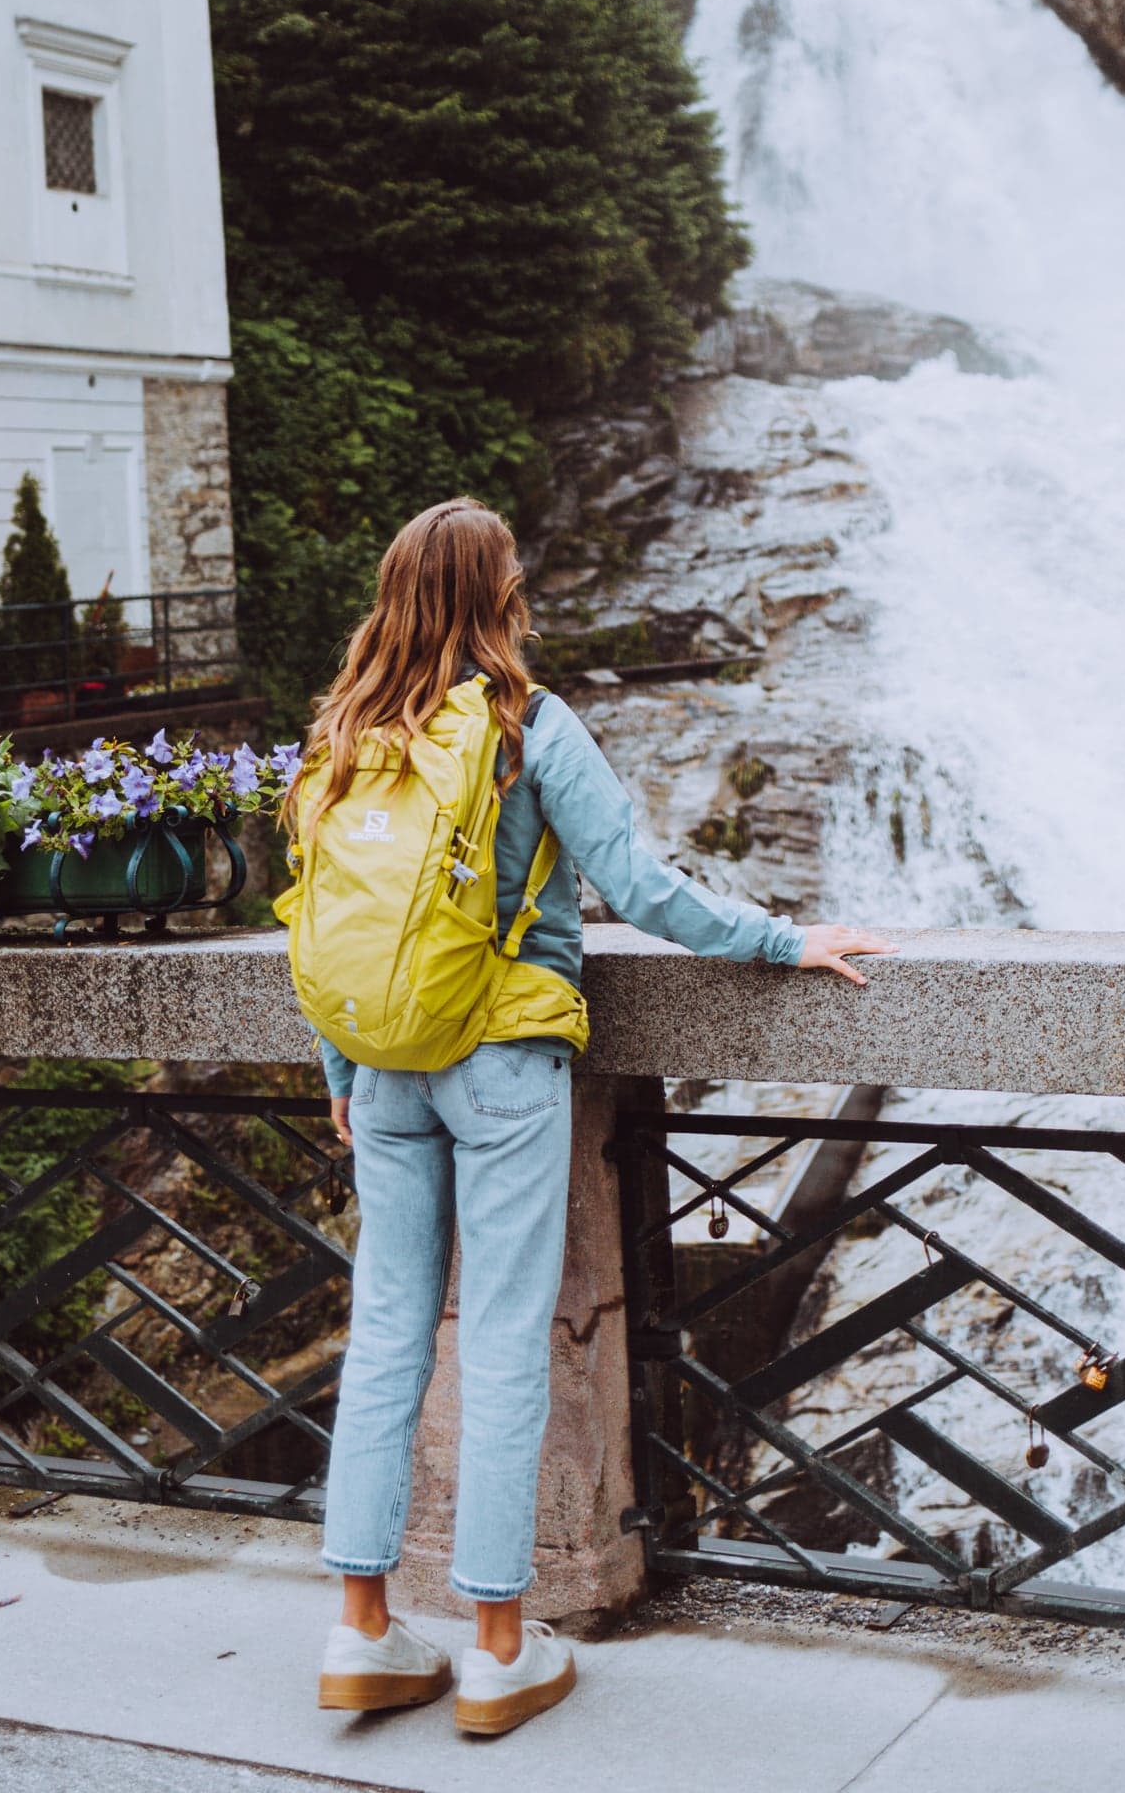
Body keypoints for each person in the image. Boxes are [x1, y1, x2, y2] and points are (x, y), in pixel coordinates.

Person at [292, 497, 893, 1739]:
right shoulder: (526, 725)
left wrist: (343, 1076)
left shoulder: (347, 729)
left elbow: (327, 924)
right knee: (505, 1339)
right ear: (495, 596)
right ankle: (499, 1649)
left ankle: (358, 1630)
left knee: (390, 1332)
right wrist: (786, 941)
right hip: (503, 1058)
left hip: (386, 1066)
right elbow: (637, 886)